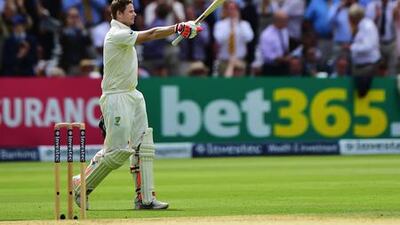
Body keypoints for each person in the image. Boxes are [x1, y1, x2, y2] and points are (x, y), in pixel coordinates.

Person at [72, 0, 202, 210]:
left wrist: (184, 29)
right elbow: (150, 35)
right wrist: (178, 27)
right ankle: (80, 184)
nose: (135, 14)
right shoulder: (116, 34)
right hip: (116, 97)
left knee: (143, 146)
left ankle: (145, 198)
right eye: (130, 11)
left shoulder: (124, 31)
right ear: (119, 14)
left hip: (133, 94)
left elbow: (151, 35)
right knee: (117, 152)